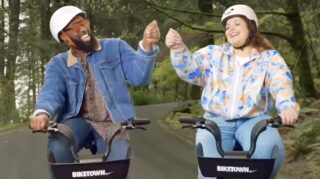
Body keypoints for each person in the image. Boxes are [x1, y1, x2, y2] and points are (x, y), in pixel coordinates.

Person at [165, 4, 299, 179]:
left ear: (251, 26)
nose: (231, 29)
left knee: (269, 147)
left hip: (255, 121)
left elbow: (281, 83)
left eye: (237, 24)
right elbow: (191, 71)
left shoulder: (269, 58)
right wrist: (178, 49)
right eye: (227, 27)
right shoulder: (213, 54)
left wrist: (288, 106)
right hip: (216, 121)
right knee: (208, 159)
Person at [29, 5, 160, 177]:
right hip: (77, 122)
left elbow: (139, 77)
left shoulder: (116, 47)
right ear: (64, 37)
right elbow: (51, 92)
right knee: (58, 145)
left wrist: (147, 46)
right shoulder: (58, 64)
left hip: (112, 122)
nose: (83, 27)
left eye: (83, 21)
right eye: (76, 25)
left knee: (118, 165)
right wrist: (42, 113)